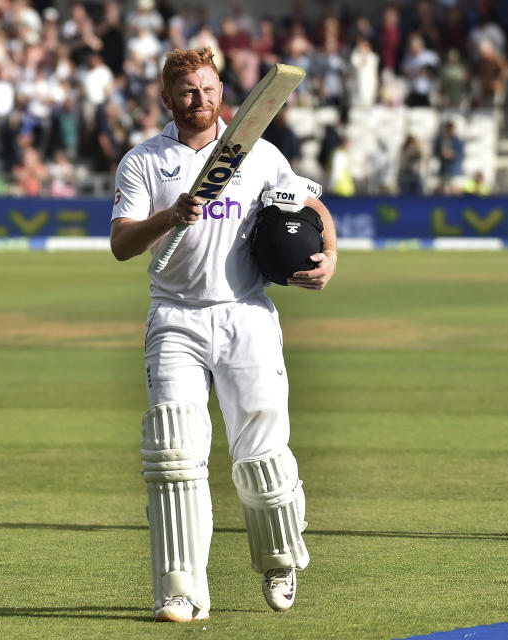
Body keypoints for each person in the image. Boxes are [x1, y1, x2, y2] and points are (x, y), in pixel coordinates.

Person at [109, 48, 338, 622]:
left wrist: (330, 255)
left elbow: (310, 207)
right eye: (188, 92)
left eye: (209, 90)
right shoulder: (144, 162)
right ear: (167, 98)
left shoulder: (256, 153)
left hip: (246, 314)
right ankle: (181, 589)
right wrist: (172, 215)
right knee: (174, 450)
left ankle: (279, 556)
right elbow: (122, 244)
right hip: (176, 317)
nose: (202, 101)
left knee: (261, 453)